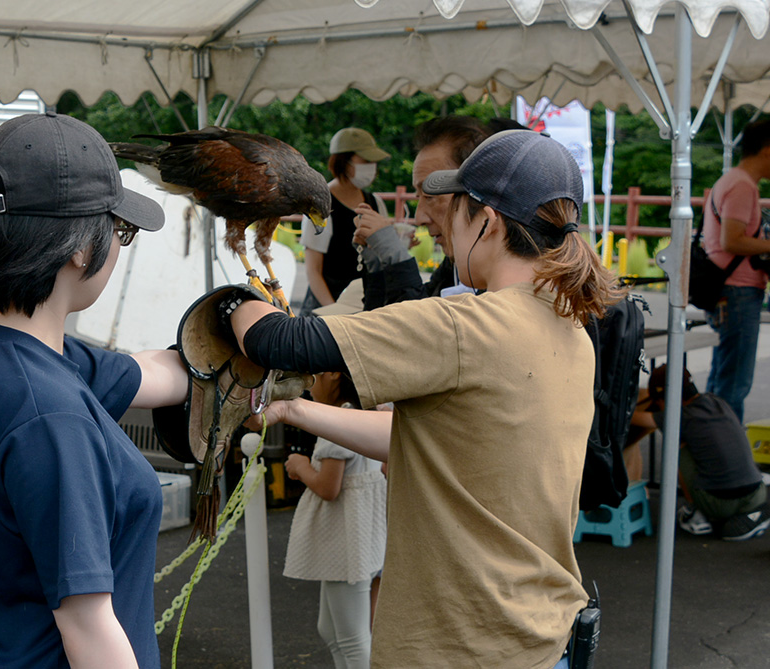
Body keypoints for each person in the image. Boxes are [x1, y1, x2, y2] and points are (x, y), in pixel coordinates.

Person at [227, 130, 624, 667]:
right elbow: (442, 442)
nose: (438, 223)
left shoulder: (466, 326)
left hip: (460, 646)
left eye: (451, 208)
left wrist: (234, 301)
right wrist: (296, 409)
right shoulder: (569, 326)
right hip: (540, 637)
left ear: (486, 221)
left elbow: (279, 340)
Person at [0, 112, 190, 668]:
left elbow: (151, 372)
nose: (119, 248)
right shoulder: (49, 415)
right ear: (80, 247)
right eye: (119, 231)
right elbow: (90, 630)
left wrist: (240, 333)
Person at [352, 117, 527, 309]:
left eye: (430, 196)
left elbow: (415, 330)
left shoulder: (515, 287)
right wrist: (379, 261)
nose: (419, 218)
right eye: (418, 197)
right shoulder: (454, 263)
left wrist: (395, 255)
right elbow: (384, 322)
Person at [282, 369, 386, 669]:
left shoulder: (339, 421)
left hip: (346, 542)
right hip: (365, 535)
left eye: (313, 377)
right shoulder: (369, 413)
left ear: (333, 376)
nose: (308, 386)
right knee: (333, 630)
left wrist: (300, 466)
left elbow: (329, 487)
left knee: (353, 639)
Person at [631, 364, 770, 540]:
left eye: (658, 403)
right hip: (756, 492)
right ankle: (753, 515)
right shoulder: (716, 401)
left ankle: (694, 512)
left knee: (677, 446)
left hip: (720, 503)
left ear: (666, 397)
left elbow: (635, 418)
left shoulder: (681, 415)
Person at [701, 119, 770, 421]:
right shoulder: (743, 186)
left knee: (722, 377)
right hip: (738, 291)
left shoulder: (730, 180)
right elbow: (733, 240)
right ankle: (725, 458)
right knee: (734, 384)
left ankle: (708, 450)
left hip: (726, 290)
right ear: (767, 150)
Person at [300, 127, 391, 312]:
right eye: (366, 160)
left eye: (373, 161)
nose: (372, 167)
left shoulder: (376, 202)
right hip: (326, 308)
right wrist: (335, 312)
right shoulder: (320, 206)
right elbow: (313, 271)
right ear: (344, 161)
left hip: (365, 307)